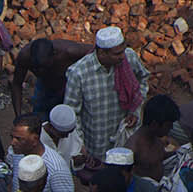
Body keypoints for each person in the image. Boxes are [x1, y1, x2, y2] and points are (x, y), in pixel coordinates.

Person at [63, 26, 148, 163]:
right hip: (97, 144)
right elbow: (72, 112)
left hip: (125, 133)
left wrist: (135, 110)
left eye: (122, 51)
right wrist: (79, 144)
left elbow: (143, 79)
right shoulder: (79, 73)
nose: (122, 57)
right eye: (117, 54)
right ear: (102, 53)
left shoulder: (129, 57)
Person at [7, 113, 76, 192]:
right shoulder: (16, 152)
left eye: (19, 139)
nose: (12, 143)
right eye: (12, 137)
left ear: (34, 139)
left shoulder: (56, 167)